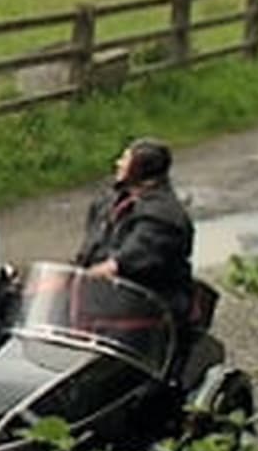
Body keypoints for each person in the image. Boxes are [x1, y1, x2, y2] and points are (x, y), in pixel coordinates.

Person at [74, 137, 195, 337]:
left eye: (125, 159)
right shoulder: (108, 203)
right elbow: (90, 249)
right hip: (105, 300)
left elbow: (134, 256)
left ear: (141, 168)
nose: (118, 163)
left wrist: (102, 271)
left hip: (146, 309)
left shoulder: (163, 215)